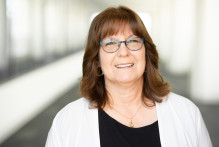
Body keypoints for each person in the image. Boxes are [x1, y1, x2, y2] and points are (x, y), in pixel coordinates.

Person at [45, 6, 212, 147]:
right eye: (110, 43)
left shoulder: (187, 113)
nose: (123, 52)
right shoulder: (67, 121)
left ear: (146, 53)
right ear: (96, 60)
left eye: (133, 41)